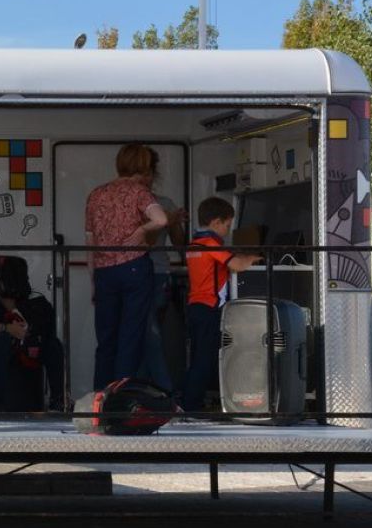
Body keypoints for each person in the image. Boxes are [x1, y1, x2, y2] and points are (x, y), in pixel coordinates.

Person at [84, 143, 174, 390]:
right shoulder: (139, 192)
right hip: (134, 267)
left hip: (104, 271)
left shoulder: (97, 194)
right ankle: (121, 398)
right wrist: (141, 230)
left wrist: (93, 279)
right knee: (130, 336)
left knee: (105, 339)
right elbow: (162, 219)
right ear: (145, 166)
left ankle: (99, 399)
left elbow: (90, 240)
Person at [182, 196, 262, 414]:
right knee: (206, 359)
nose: (227, 230)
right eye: (227, 225)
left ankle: (188, 401)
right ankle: (191, 407)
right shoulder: (211, 244)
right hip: (210, 307)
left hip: (195, 305)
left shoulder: (193, 244)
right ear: (216, 222)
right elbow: (235, 264)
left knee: (198, 357)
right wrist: (254, 258)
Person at [0, 256, 65, 411]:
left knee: (53, 345)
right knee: (2, 341)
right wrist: (8, 328)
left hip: (24, 341)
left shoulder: (24, 291)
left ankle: (58, 399)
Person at [137, 148, 187, 390]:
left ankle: (153, 391)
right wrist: (165, 220)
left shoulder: (165, 203)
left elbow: (180, 243)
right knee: (148, 335)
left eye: (148, 174)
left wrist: (175, 222)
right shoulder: (133, 205)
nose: (145, 179)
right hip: (137, 273)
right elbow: (143, 239)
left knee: (149, 333)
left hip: (158, 273)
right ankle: (160, 391)